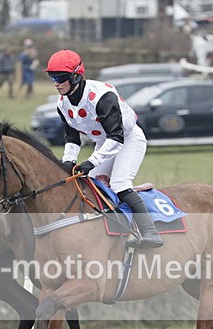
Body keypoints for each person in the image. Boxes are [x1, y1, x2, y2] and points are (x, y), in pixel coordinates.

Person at [45, 49, 163, 248]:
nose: (55, 83)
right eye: (51, 77)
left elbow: (116, 137)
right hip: (104, 143)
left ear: (75, 77)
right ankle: (109, 230)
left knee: (119, 184)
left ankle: (150, 232)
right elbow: (72, 139)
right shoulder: (62, 104)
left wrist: (92, 162)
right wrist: (67, 162)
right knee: (90, 185)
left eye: (59, 77)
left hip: (128, 140)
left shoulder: (102, 96)